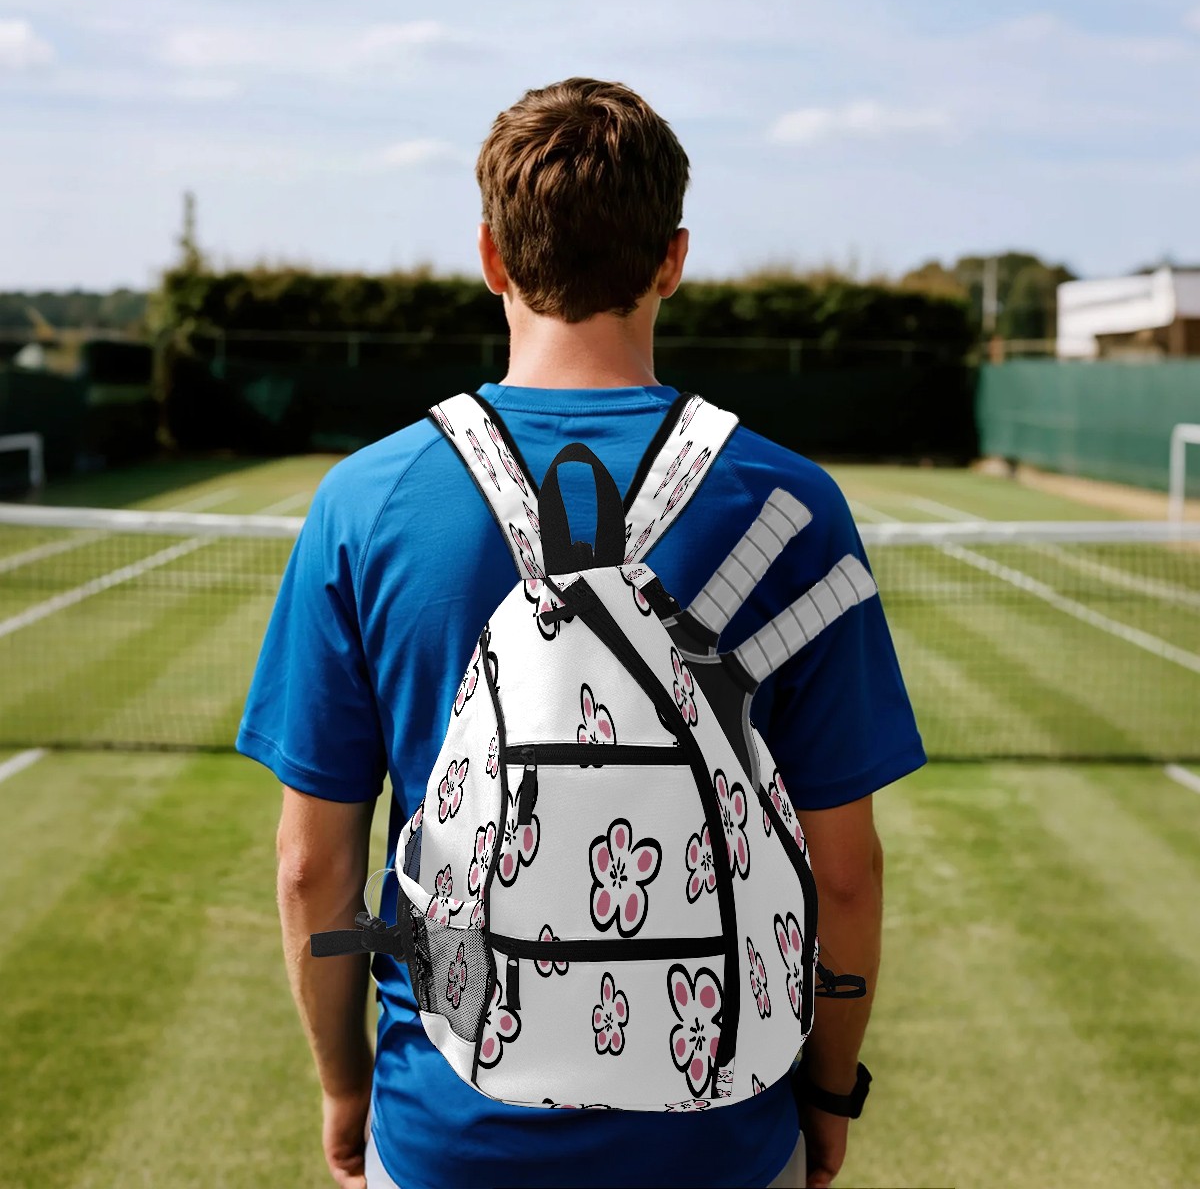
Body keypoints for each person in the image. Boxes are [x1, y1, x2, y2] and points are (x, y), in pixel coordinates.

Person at [238, 77, 925, 1189]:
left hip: (447, 1131)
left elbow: (312, 864)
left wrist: (347, 1087)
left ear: (491, 257)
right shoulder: (792, 505)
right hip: (723, 1137)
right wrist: (829, 1090)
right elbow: (844, 877)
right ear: (674, 260)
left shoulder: (364, 501)